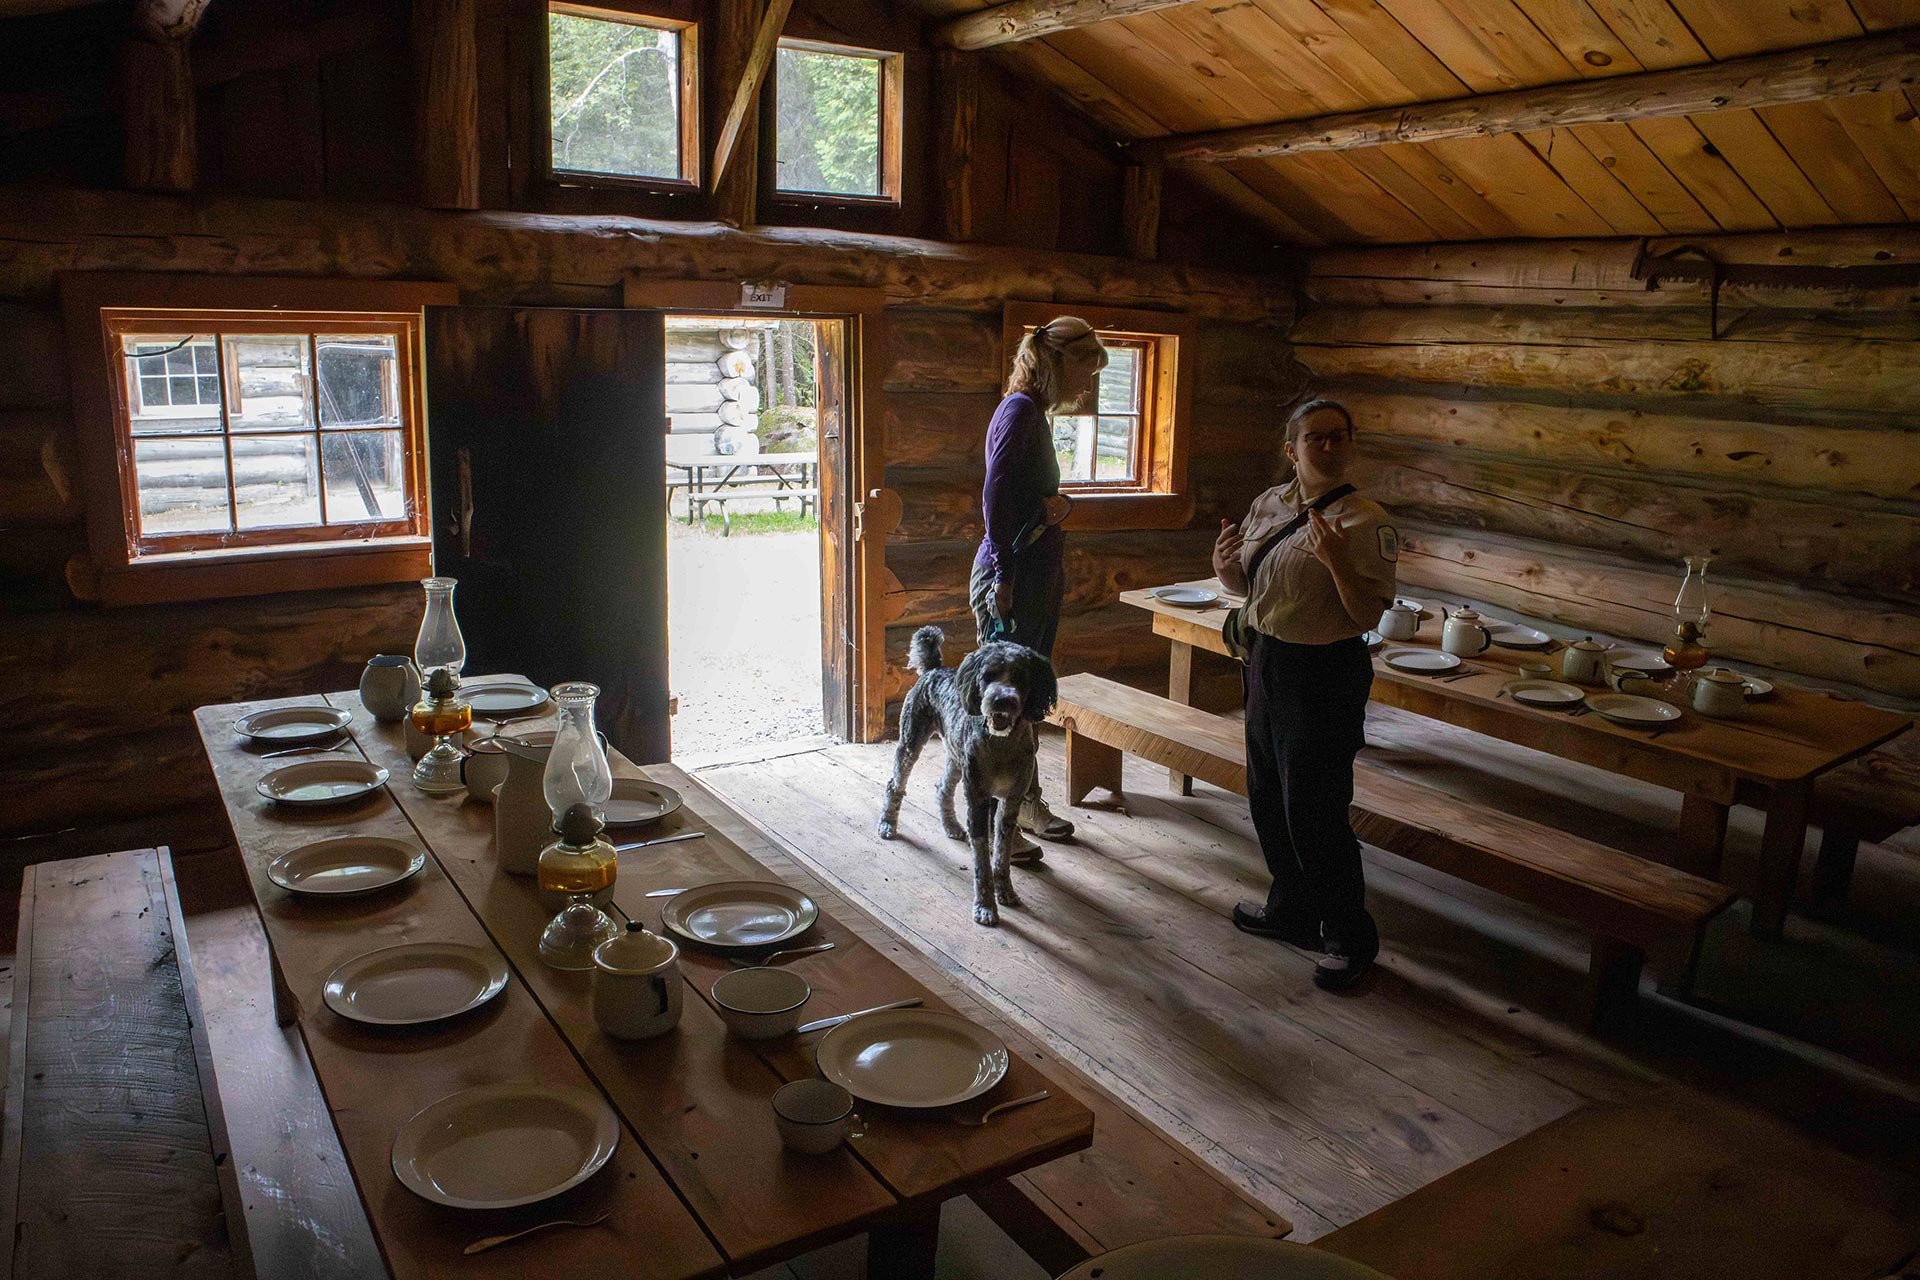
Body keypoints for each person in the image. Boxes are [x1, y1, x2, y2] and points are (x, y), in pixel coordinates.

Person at [1213, 398, 1398, 990]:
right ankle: (1292, 908)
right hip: (1268, 660)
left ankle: (1348, 936)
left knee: (1315, 809)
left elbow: (1367, 612)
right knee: (1266, 793)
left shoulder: (1367, 522)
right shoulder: (1268, 504)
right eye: (1314, 437)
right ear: (1289, 449)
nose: (1328, 446)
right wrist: (1224, 570)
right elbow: (1251, 586)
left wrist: (1339, 562)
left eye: (1338, 436)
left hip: (1325, 670)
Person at [970, 315, 1108, 852]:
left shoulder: (1033, 413)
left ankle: (1022, 802)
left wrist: (1060, 505)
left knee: (1023, 696)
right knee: (1003, 699)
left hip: (1031, 573)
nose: (1089, 382)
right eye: (1086, 368)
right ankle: (994, 820)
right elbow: (995, 498)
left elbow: (1031, 498)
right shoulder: (1020, 411)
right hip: (1013, 576)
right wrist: (1004, 574)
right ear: (1057, 361)